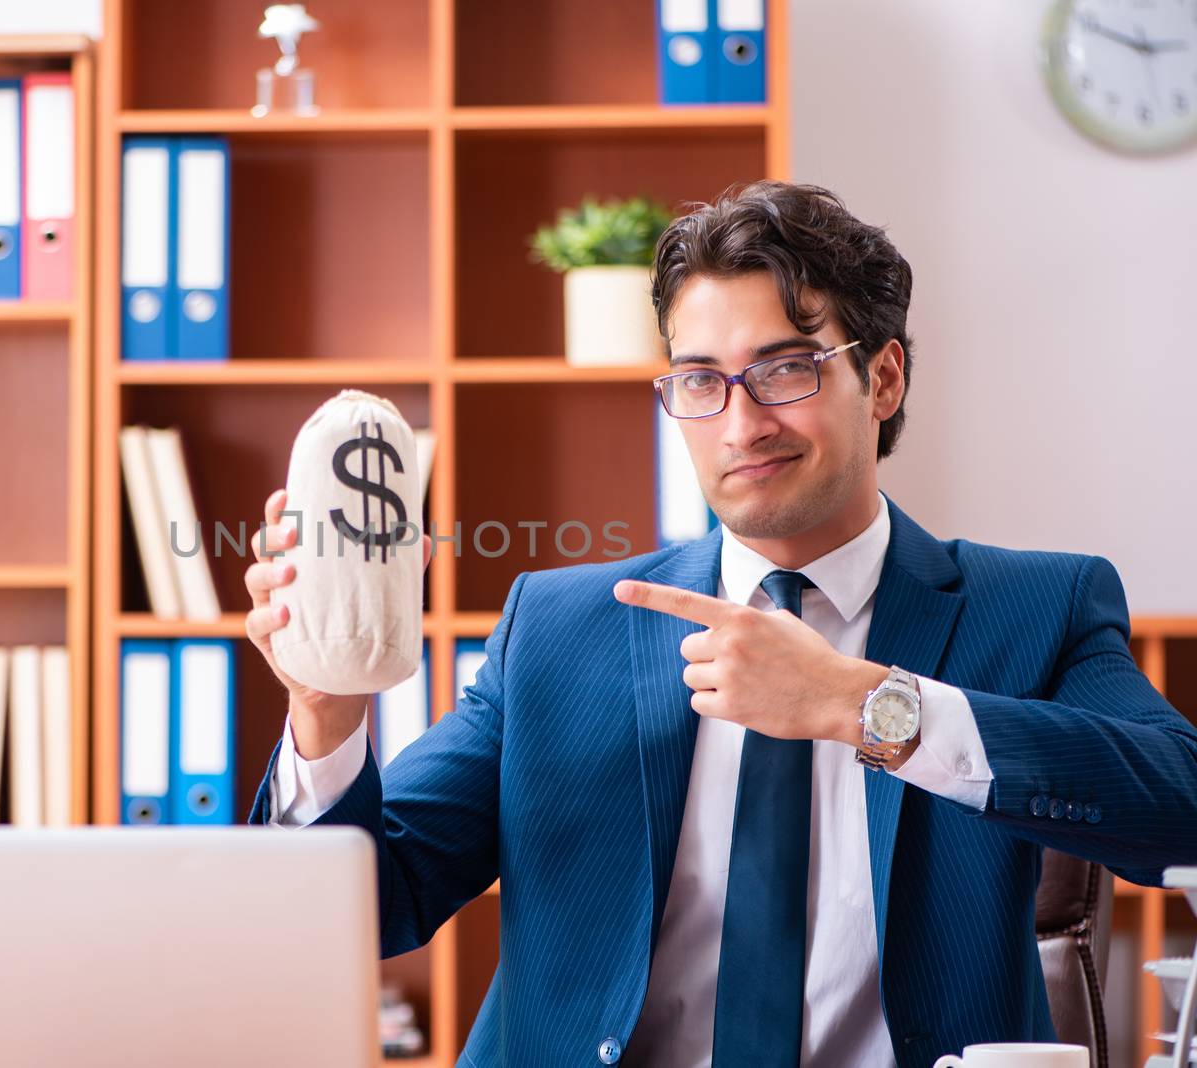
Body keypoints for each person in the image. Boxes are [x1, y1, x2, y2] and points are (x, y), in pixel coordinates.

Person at [240, 180, 1197, 1068]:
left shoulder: (1032, 609)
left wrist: (867, 707)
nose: (740, 425)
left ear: (887, 380)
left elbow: (1183, 806)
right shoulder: (563, 628)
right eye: (700, 382)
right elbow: (370, 903)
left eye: (784, 369)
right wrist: (325, 715)